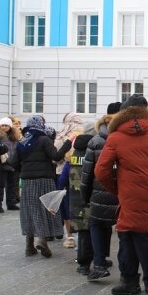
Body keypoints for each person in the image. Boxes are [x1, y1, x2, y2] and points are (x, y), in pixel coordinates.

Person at [95, 94, 148, 295]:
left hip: (129, 194)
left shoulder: (116, 137)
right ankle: (129, 280)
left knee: (140, 237)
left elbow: (101, 171)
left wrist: (118, 188)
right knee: (128, 234)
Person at [17, 115, 72, 257]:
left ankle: (29, 246)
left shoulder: (22, 141)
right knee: (47, 208)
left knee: (29, 210)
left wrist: (25, 170)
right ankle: (42, 240)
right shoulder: (44, 139)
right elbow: (57, 156)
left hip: (27, 181)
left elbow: (12, 161)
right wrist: (68, 143)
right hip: (44, 180)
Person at [82, 102, 121, 281]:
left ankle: (99, 264)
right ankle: (127, 267)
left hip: (99, 191)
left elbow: (87, 172)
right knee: (121, 229)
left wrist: (85, 195)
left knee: (97, 224)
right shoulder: (125, 138)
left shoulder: (96, 140)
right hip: (122, 191)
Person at [68, 129, 95, 275]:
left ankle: (83, 262)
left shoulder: (74, 157)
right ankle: (88, 262)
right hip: (89, 198)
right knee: (92, 231)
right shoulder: (91, 157)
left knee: (82, 231)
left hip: (75, 199)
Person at [56, 112, 83, 247]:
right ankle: (81, 230)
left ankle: (70, 236)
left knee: (65, 203)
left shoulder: (61, 134)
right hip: (80, 171)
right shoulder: (84, 133)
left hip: (62, 170)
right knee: (79, 201)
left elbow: (55, 154)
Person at [0, 117, 21, 211]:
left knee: (12, 185)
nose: (4, 127)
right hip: (1, 164)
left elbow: (17, 149)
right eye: (2, 125)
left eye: (6, 125)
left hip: (14, 163)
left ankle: (11, 203)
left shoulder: (15, 136)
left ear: (10, 126)